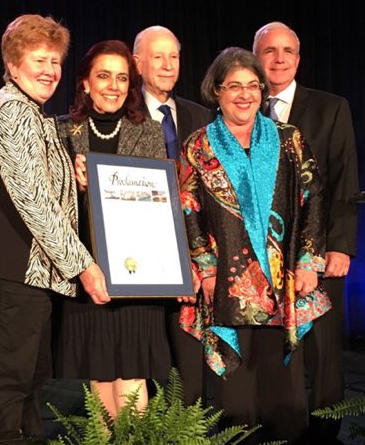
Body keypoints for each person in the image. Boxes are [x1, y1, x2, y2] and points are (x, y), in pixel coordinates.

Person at [0, 14, 109, 437]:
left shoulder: (31, 113)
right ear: (14, 62)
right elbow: (34, 203)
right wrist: (85, 266)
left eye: (55, 62)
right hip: (6, 273)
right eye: (40, 59)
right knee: (3, 389)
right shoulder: (13, 112)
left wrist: (70, 176)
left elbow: (37, 186)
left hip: (21, 277)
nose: (50, 71)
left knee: (24, 389)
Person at [179, 47, 331, 444]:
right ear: (216, 90)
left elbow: (312, 198)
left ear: (262, 90)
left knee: (284, 387)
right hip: (227, 284)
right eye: (234, 86)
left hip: (284, 283)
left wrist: (309, 260)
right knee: (235, 389)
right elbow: (188, 209)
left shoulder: (289, 139)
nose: (244, 94)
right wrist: (205, 266)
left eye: (252, 85)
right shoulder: (199, 146)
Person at [55, 40, 175, 419]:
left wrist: (105, 185)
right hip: (85, 274)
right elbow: (46, 210)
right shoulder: (59, 132)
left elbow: (156, 205)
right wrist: (73, 184)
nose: (113, 85)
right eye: (103, 76)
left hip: (137, 277)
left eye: (122, 77)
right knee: (99, 373)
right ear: (85, 83)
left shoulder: (149, 132)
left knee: (132, 377)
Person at [253, 22, 359, 445]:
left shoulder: (330, 107)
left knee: (323, 352)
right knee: (272, 347)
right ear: (255, 56)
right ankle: (277, 427)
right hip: (260, 256)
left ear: (298, 59)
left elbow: (344, 181)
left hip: (319, 253)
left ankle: (326, 433)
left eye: (288, 51)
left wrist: (340, 246)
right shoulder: (240, 106)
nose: (279, 59)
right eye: (269, 51)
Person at [133, 25, 213, 405]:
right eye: (158, 56)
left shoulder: (202, 116)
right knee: (147, 365)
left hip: (195, 258)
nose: (167, 65)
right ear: (137, 63)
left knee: (189, 368)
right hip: (141, 259)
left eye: (174, 56)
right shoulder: (123, 114)